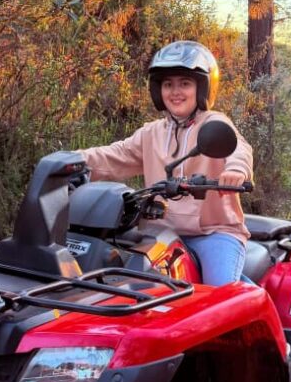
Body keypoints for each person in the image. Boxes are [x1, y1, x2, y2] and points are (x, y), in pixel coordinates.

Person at [76, 40, 253, 286]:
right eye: (168, 84)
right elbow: (115, 155)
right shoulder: (152, 133)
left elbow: (239, 149)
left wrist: (236, 170)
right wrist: (73, 161)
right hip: (158, 234)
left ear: (203, 88)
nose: (175, 91)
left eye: (185, 83)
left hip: (212, 233)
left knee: (218, 293)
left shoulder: (214, 122)